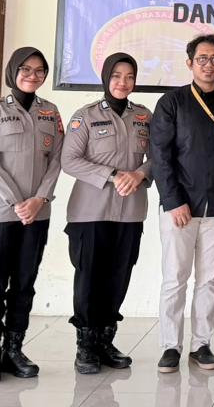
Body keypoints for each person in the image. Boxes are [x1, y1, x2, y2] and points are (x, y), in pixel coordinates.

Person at [150, 34, 214, 373]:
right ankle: (170, 347)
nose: (208, 65)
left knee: (209, 281)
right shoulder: (172, 102)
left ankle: (202, 345)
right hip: (181, 208)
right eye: (202, 59)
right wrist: (173, 201)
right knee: (174, 279)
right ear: (189, 63)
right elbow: (160, 155)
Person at [0, 47, 64, 383]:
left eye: (39, 70)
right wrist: (17, 202)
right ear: (13, 71)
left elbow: (57, 160)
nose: (32, 75)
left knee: (24, 284)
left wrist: (39, 199)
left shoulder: (50, 112)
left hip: (37, 214)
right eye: (26, 69)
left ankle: (13, 350)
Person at [60, 53, 152, 375]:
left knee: (118, 277)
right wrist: (113, 175)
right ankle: (86, 345)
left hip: (130, 213)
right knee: (89, 279)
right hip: (90, 212)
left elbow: (159, 157)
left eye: (129, 76)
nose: (123, 82)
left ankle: (105, 341)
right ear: (105, 78)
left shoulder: (144, 117)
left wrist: (140, 174)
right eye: (116, 76)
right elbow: (69, 160)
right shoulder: (85, 116)